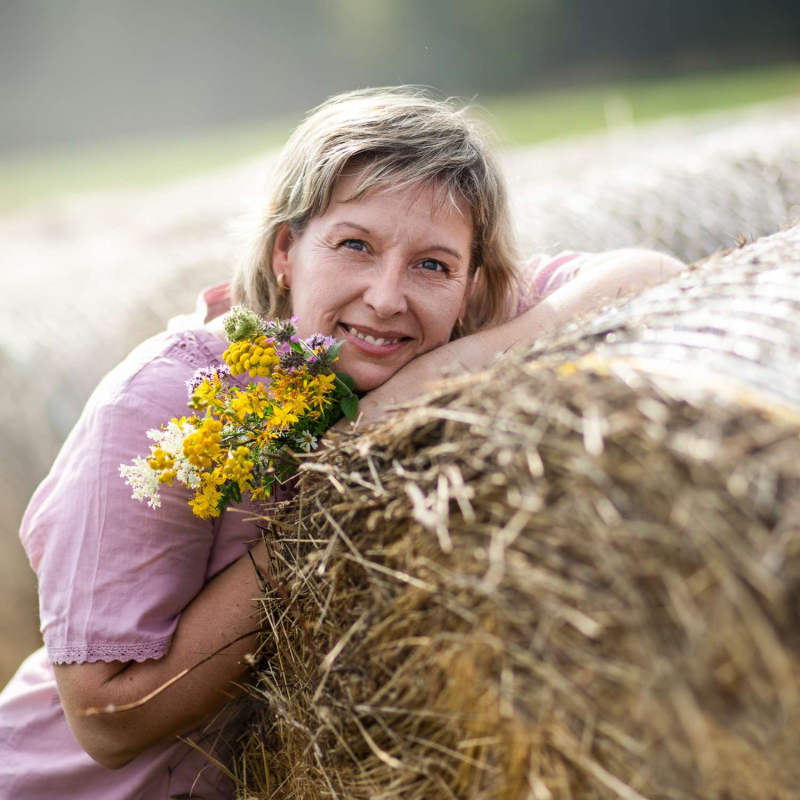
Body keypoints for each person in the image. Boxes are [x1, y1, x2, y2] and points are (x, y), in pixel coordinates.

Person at [0, 87, 683, 799]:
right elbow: (107, 721)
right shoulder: (163, 403)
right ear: (287, 251)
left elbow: (650, 277)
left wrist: (435, 379)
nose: (388, 297)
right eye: (355, 245)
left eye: (433, 265)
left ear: (473, 282)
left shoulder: (451, 325)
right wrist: (339, 492)